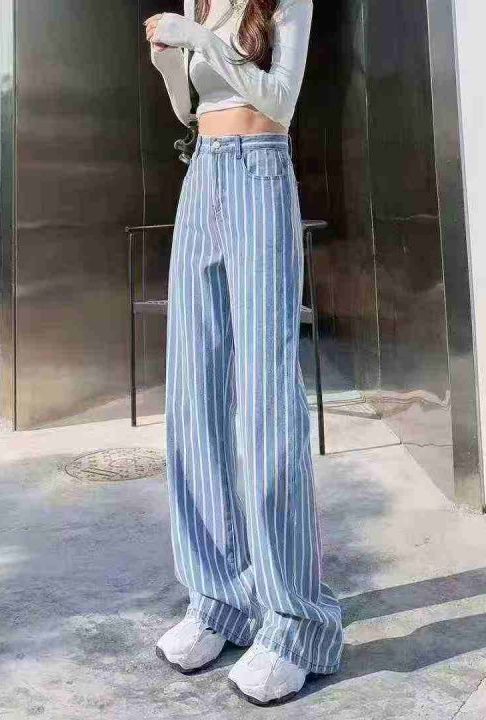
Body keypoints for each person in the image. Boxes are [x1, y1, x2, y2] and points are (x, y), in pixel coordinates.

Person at [144, 0, 342, 706]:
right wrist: (170, 65)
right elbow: (188, 110)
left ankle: (296, 626)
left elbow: (280, 100)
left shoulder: (285, 4)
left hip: (260, 174)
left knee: (265, 399)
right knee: (192, 391)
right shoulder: (200, 4)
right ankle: (218, 600)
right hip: (202, 176)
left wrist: (200, 39)